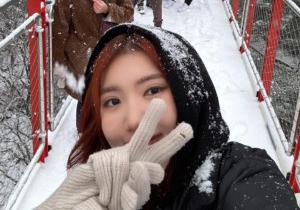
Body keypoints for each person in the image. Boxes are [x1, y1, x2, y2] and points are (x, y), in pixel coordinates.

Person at [36, 24, 299, 210]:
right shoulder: (93, 189)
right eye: (112, 101)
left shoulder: (242, 174)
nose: (135, 121)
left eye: (153, 90)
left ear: (188, 96)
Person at [52, 0, 134, 123]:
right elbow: (60, 30)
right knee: (88, 97)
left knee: (111, 94)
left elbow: (129, 13)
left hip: (111, 49)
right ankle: (85, 135)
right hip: (82, 54)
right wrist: (60, 67)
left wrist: (108, 10)